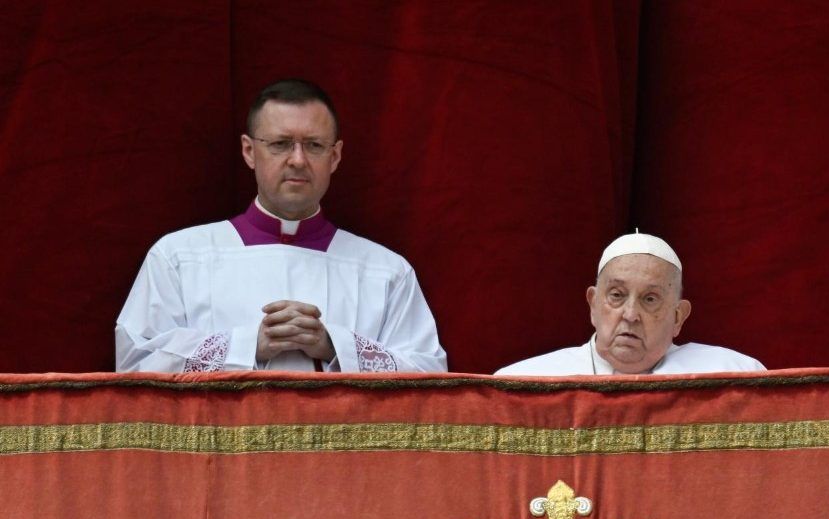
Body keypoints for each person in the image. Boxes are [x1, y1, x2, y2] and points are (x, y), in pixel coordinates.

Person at [116, 79, 446, 373]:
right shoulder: (177, 258)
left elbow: (430, 377)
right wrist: (247, 346)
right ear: (249, 151)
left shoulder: (386, 271)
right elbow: (136, 367)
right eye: (280, 144)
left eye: (314, 145)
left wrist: (335, 346)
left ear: (335, 156)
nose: (298, 160)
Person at [495, 233, 764, 375]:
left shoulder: (733, 378)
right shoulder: (526, 385)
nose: (630, 314)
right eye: (616, 295)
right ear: (593, 304)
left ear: (679, 317)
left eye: (650, 299)